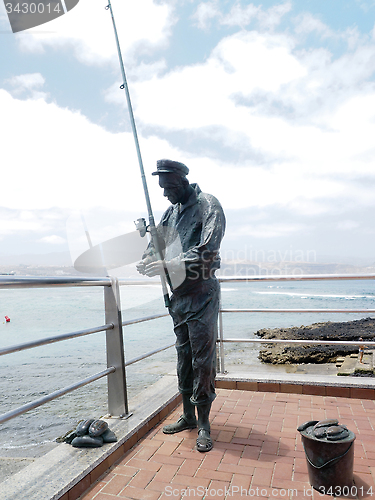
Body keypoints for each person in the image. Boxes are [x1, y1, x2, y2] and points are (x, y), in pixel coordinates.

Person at [137, 159, 225, 452]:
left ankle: (204, 424)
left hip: (202, 295)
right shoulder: (169, 213)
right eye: (161, 189)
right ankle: (187, 416)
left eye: (168, 188)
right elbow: (157, 245)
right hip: (179, 297)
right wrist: (149, 259)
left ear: (182, 182)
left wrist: (168, 263)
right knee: (183, 357)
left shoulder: (208, 206)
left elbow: (208, 249)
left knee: (202, 361)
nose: (164, 195)